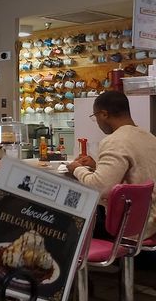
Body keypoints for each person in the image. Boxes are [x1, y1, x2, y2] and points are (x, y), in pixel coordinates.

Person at [66, 91, 156, 238]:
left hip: (129, 225)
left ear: (103, 114)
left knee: (65, 219)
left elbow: (99, 188)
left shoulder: (115, 140)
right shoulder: (149, 137)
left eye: (95, 117)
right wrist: (96, 167)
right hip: (150, 220)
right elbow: (135, 173)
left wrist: (77, 169)